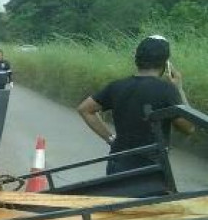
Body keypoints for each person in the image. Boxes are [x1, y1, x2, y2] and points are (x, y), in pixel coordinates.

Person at [77, 35, 194, 175]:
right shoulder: (167, 90)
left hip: (117, 163)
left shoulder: (116, 86)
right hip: (150, 168)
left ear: (137, 59)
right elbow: (189, 127)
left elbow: (84, 109)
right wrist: (179, 88)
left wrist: (110, 138)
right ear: (166, 64)